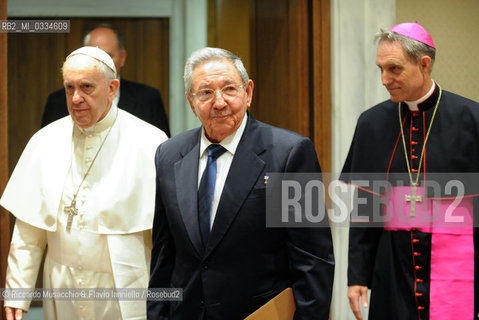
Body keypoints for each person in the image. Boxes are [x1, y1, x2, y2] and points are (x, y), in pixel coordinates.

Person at [147, 47, 335, 320]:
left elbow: (313, 260)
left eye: (229, 89)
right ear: (191, 102)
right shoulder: (168, 155)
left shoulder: (290, 153)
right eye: (206, 93)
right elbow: (164, 255)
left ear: (248, 93)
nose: (219, 102)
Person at [1, 46, 168, 320]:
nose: (76, 98)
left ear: (112, 88)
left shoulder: (150, 142)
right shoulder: (44, 142)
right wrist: (17, 292)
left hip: (122, 285)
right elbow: (28, 232)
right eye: (69, 88)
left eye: (87, 87)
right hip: (62, 284)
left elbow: (166, 238)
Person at [343, 22, 479, 320]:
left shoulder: (472, 118)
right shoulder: (371, 123)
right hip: (392, 269)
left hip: (458, 268)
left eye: (394, 69)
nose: (384, 79)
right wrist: (357, 276)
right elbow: (364, 210)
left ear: (424, 63)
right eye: (380, 68)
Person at [41, 23, 171, 136]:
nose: (101, 62)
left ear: (122, 57)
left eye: (108, 56)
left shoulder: (148, 99)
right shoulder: (57, 102)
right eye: (93, 55)